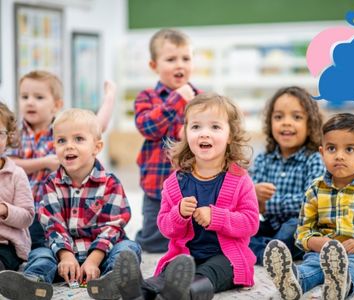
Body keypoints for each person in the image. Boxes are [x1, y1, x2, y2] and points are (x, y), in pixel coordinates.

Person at [87, 93, 259, 300]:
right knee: (167, 274)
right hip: (185, 258)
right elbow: (165, 226)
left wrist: (217, 217)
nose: (204, 133)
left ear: (230, 135)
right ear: (185, 133)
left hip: (227, 257)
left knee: (210, 273)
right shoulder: (175, 182)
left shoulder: (240, 179)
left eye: (215, 127)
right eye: (196, 127)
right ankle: (137, 290)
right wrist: (178, 214)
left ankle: (182, 293)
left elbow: (250, 223)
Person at [0, 108, 140, 300]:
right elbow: (52, 224)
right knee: (40, 253)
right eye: (61, 140)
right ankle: (34, 284)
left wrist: (93, 259)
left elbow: (113, 226)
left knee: (128, 249)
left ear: (97, 147)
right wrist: (65, 256)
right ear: (54, 146)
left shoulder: (110, 183)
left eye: (79, 139)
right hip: (62, 257)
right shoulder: (51, 183)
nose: (69, 146)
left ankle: (113, 281)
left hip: (102, 254)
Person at [263, 113, 354, 300]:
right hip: (322, 250)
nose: (339, 156)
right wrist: (314, 242)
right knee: (312, 265)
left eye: (349, 149)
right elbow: (302, 231)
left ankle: (342, 284)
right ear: (322, 153)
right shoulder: (315, 190)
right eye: (332, 148)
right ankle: (294, 281)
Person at [8, 70, 116, 249]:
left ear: (56, 105)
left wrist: (109, 98)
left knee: (49, 243)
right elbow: (9, 162)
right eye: (24, 97)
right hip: (22, 209)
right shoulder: (16, 133)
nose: (30, 102)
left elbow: (97, 126)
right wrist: (44, 162)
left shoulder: (63, 132)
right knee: (23, 243)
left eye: (39, 97)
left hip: (56, 209)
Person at [134, 28, 200, 253]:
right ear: (154, 65)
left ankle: (183, 246)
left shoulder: (200, 99)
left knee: (195, 232)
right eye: (171, 59)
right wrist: (176, 100)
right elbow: (148, 127)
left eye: (186, 58)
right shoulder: (147, 97)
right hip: (156, 184)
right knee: (153, 240)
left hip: (192, 184)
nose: (179, 65)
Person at [249, 86, 325, 264]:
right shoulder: (263, 158)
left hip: (301, 225)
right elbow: (246, 194)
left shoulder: (313, 159)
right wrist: (254, 191)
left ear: (310, 124)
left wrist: (266, 205)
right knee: (242, 229)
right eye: (278, 117)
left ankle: (266, 252)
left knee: (292, 230)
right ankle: (270, 252)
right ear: (270, 123)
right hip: (271, 224)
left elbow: (311, 201)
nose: (286, 122)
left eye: (297, 117)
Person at [0, 102, 34, 272]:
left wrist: (5, 210)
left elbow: (27, 216)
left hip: (8, 244)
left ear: (8, 137)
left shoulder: (16, 174)